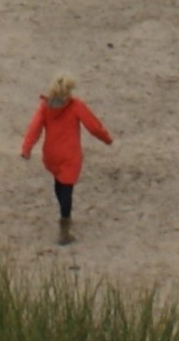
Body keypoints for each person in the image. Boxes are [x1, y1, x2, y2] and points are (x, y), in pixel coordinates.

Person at [18, 75, 112, 246]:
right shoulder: (76, 106)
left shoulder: (45, 107)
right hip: (70, 155)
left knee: (58, 184)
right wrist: (107, 139)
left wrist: (26, 148)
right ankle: (64, 227)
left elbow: (34, 128)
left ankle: (63, 214)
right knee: (67, 187)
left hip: (51, 154)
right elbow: (93, 126)